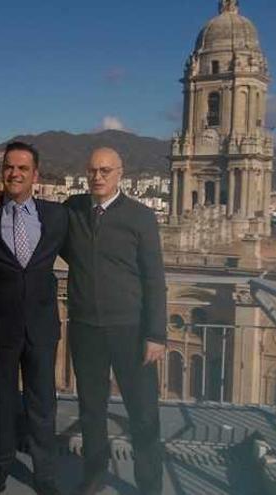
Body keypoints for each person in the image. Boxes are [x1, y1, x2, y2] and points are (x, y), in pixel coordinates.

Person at [62, 147, 167, 495]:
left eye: (106, 170)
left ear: (120, 174)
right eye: (93, 170)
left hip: (131, 330)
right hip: (85, 328)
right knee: (91, 409)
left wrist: (156, 334)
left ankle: (149, 484)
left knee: (143, 413)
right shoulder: (72, 211)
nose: (98, 176)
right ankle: (94, 476)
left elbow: (154, 278)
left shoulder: (140, 217)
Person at [0, 142, 68, 495]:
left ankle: (45, 474)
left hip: (41, 326)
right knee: (0, 401)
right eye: (9, 167)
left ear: (35, 175)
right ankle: (0, 464)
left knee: (43, 402)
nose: (15, 173)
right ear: (2, 173)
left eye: (23, 168)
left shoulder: (57, 216)